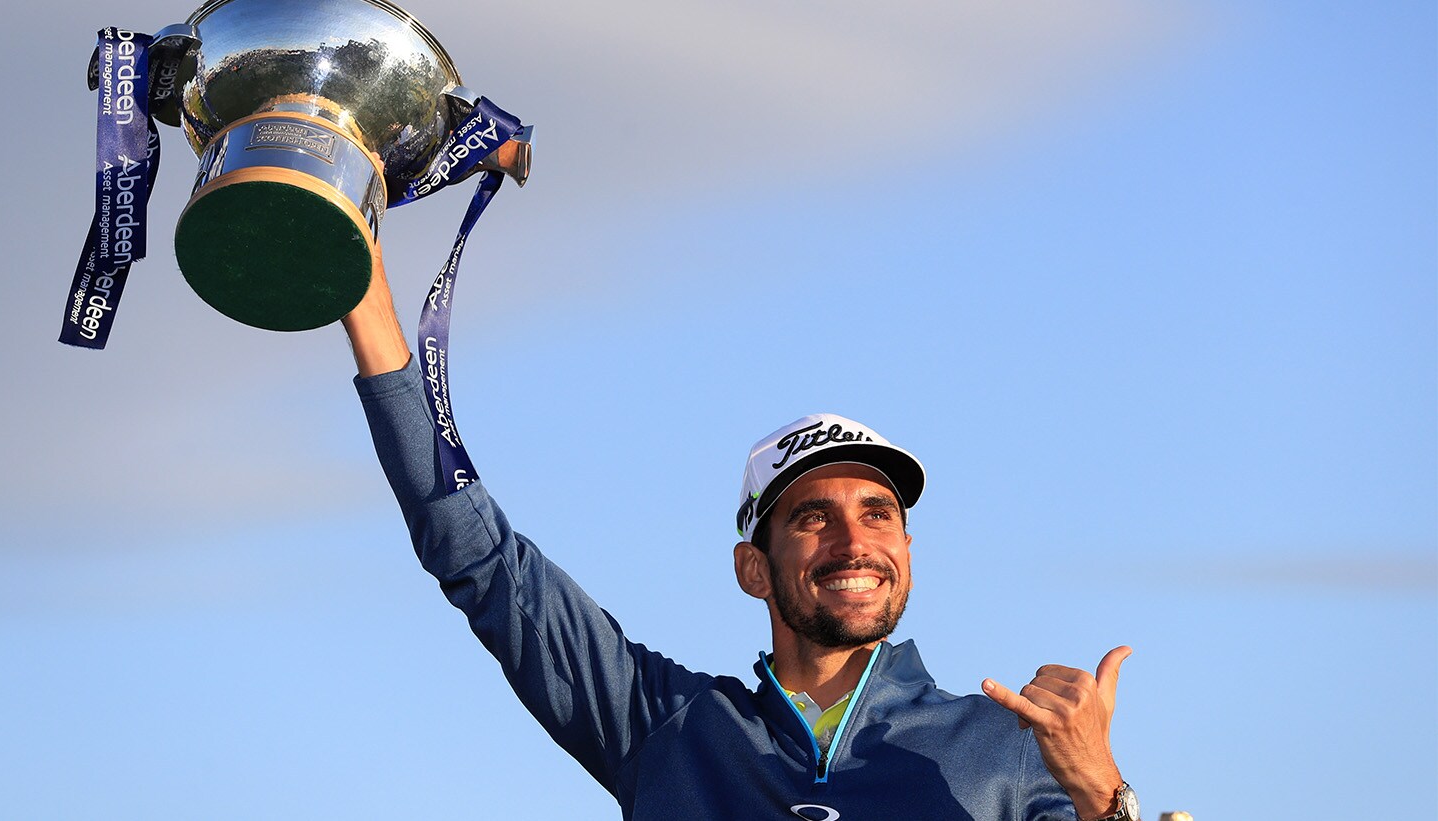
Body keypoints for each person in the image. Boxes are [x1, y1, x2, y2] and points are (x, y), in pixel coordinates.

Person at [341, 250, 1140, 821]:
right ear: (753, 568)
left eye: (878, 513)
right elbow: (480, 558)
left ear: (906, 551)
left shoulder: (1008, 747)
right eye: (813, 516)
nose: (854, 541)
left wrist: (1100, 788)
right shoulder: (664, 725)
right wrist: (364, 294)